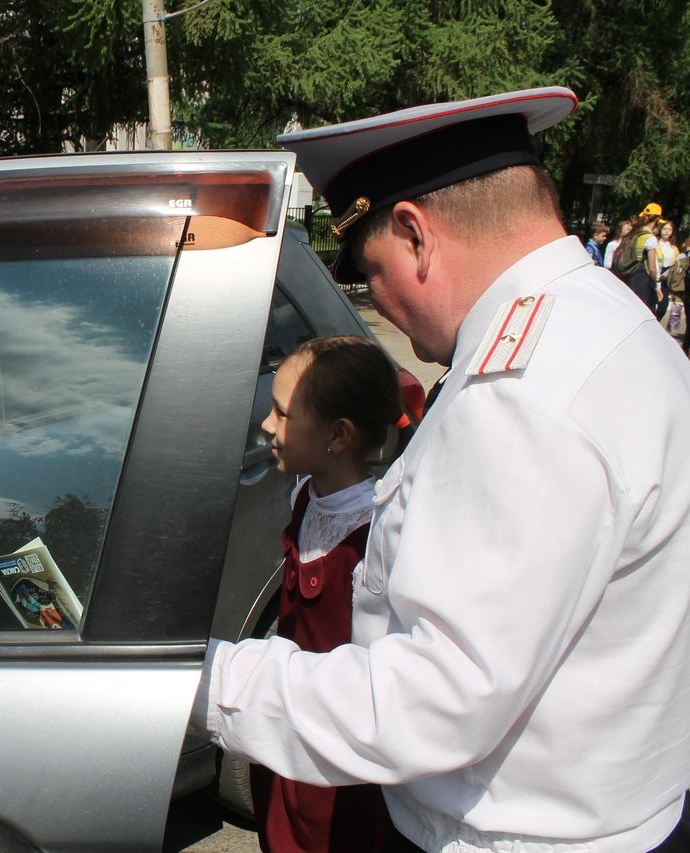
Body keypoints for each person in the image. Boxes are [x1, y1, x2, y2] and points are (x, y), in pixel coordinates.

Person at [192, 87, 690, 851]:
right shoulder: (615, 324)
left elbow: (436, 697)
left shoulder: (519, 397)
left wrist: (213, 683)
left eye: (372, 265)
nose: (380, 305)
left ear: (417, 236)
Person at [250, 335, 401, 853]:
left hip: (338, 768)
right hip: (291, 746)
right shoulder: (306, 496)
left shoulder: (375, 533)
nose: (268, 425)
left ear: (338, 436)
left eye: (282, 413)